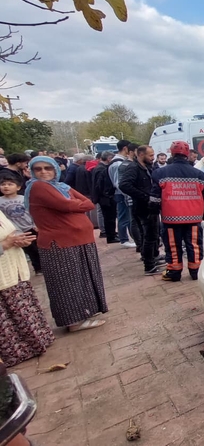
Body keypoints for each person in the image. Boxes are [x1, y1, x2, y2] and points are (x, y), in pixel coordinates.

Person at [25, 156, 107, 332]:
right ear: (31, 171)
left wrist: (74, 204)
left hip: (77, 241)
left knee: (80, 280)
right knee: (68, 283)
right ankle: (74, 321)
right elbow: (67, 205)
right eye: (38, 169)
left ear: (56, 168)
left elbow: (89, 203)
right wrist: (75, 205)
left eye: (47, 168)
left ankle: (84, 312)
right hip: (61, 244)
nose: (43, 172)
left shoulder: (60, 186)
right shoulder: (38, 187)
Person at [150, 141, 204, 282]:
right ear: (187, 154)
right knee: (194, 245)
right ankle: (196, 271)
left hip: (171, 218)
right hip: (194, 218)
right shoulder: (199, 174)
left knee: (172, 245)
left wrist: (154, 213)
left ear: (171, 153)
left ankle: (174, 272)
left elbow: (154, 198)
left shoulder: (160, 173)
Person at [0, 211, 53, 366]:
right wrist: (4, 245)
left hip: (14, 269)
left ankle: (36, 343)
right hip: (3, 277)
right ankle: (17, 353)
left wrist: (20, 240)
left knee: (24, 310)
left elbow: (11, 231)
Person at [120, 146, 165, 275]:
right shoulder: (133, 168)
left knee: (154, 234)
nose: (153, 158)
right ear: (140, 154)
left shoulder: (148, 167)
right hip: (143, 206)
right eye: (150, 155)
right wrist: (144, 196)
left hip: (151, 206)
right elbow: (124, 185)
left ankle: (153, 256)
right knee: (149, 236)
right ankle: (149, 265)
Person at [0, 174, 41, 275]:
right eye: (3, 184)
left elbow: (32, 212)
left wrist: (36, 224)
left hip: (30, 227)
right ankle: (38, 268)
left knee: (38, 248)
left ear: (18, 187)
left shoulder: (24, 198)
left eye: (10, 184)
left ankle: (44, 265)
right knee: (29, 250)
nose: (6, 186)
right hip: (16, 231)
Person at [109, 140, 136, 248]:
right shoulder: (118, 163)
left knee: (126, 217)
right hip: (121, 194)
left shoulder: (117, 162)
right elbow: (118, 182)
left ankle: (127, 238)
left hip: (121, 193)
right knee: (123, 217)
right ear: (125, 148)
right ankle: (124, 239)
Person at [119, 143, 142, 253]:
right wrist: (138, 194)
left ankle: (140, 244)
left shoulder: (133, 164)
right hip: (132, 198)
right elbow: (122, 184)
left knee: (136, 222)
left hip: (136, 198)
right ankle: (139, 244)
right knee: (134, 222)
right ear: (132, 152)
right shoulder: (126, 166)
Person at [92, 152, 118, 244]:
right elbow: (100, 185)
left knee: (110, 217)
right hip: (105, 198)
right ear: (109, 158)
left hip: (104, 197)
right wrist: (107, 194)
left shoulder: (100, 168)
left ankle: (112, 233)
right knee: (109, 217)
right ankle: (110, 236)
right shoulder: (101, 169)